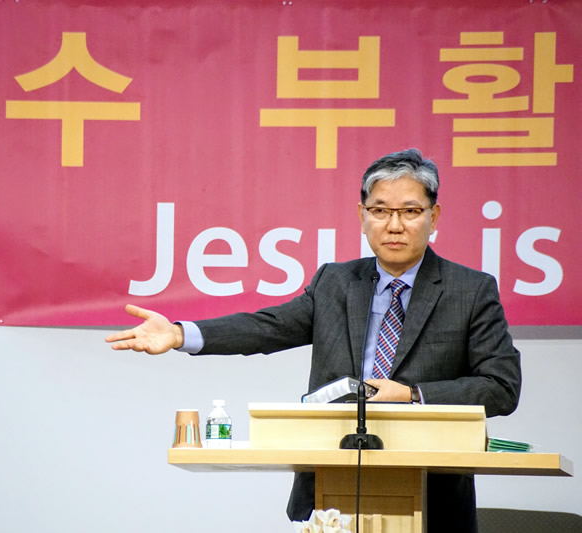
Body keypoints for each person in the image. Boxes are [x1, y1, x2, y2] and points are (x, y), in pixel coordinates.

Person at [106, 148, 521, 533]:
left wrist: (412, 394)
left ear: (434, 216)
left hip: (433, 495)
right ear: (362, 215)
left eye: (410, 211)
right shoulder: (335, 282)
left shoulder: (470, 290)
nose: (394, 225)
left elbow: (501, 387)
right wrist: (180, 333)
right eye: (380, 210)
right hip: (329, 490)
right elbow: (268, 326)